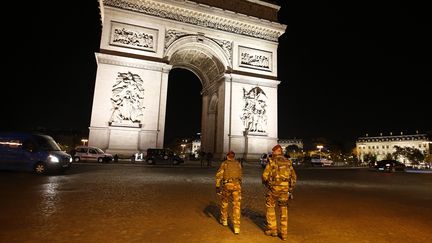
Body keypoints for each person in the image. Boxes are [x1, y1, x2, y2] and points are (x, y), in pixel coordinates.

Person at [262, 144, 297, 241]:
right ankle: (284, 234)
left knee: (270, 206)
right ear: (281, 151)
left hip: (274, 189)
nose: (272, 153)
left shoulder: (272, 161)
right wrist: (290, 188)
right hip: (285, 189)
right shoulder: (288, 162)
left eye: (273, 151)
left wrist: (268, 184)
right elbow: (294, 177)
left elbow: (265, 176)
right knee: (283, 209)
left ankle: (273, 230)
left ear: (275, 152)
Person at [215, 151, 242, 234]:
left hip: (227, 185)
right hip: (237, 186)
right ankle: (237, 227)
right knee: (236, 206)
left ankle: (224, 220)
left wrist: (217, 186)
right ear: (233, 157)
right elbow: (241, 175)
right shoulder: (238, 163)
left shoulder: (224, 164)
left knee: (225, 203)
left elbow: (219, 175)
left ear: (227, 156)